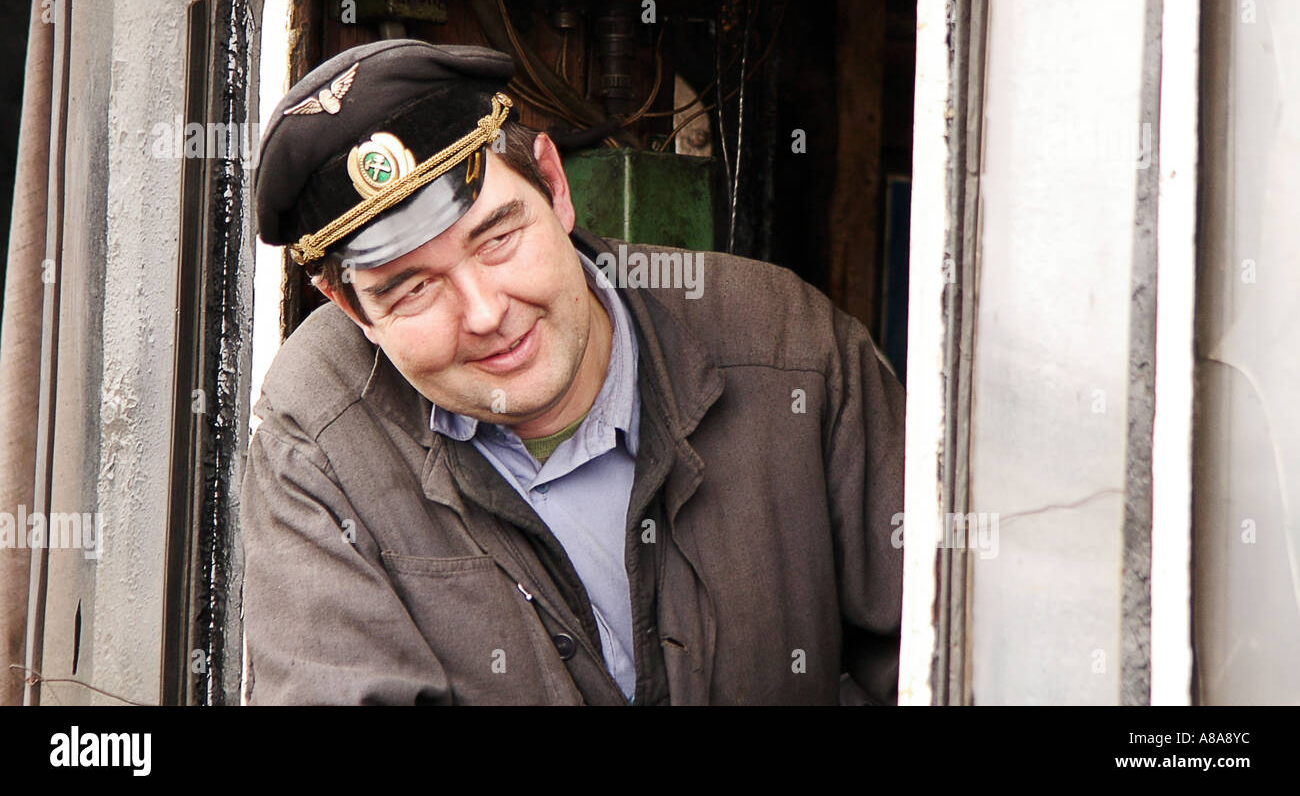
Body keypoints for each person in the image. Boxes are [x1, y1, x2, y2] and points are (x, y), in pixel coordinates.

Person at [242, 38, 905, 705]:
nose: (484, 313)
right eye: (413, 289)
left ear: (555, 188)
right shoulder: (318, 435)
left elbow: (941, 648)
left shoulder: (787, 346)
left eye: (497, 238)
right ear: (349, 306)